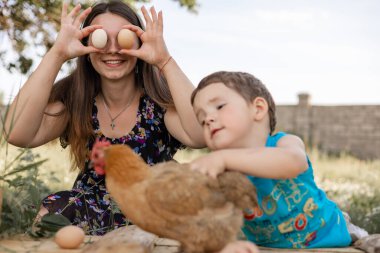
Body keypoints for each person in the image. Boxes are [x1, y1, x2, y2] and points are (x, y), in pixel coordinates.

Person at [4, 0, 204, 235]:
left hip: (155, 208)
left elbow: (200, 135)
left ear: (139, 44)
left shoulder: (157, 103)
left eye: (123, 38)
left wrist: (164, 61)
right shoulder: (76, 102)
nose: (112, 48)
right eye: (100, 37)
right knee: (53, 211)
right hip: (91, 208)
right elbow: (16, 133)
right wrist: (57, 53)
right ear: (86, 47)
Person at [190, 71, 372, 249]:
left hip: (334, 231)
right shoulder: (222, 171)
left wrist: (224, 158)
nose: (208, 119)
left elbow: (294, 162)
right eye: (201, 119)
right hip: (274, 248)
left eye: (219, 106)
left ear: (258, 109)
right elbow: (215, 217)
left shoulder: (283, 142)